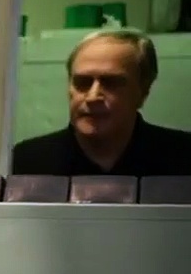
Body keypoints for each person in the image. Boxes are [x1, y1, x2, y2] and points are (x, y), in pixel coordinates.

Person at [12, 29, 191, 176]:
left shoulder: (183, 157)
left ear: (143, 91)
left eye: (111, 83)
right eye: (82, 82)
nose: (92, 97)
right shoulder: (26, 161)